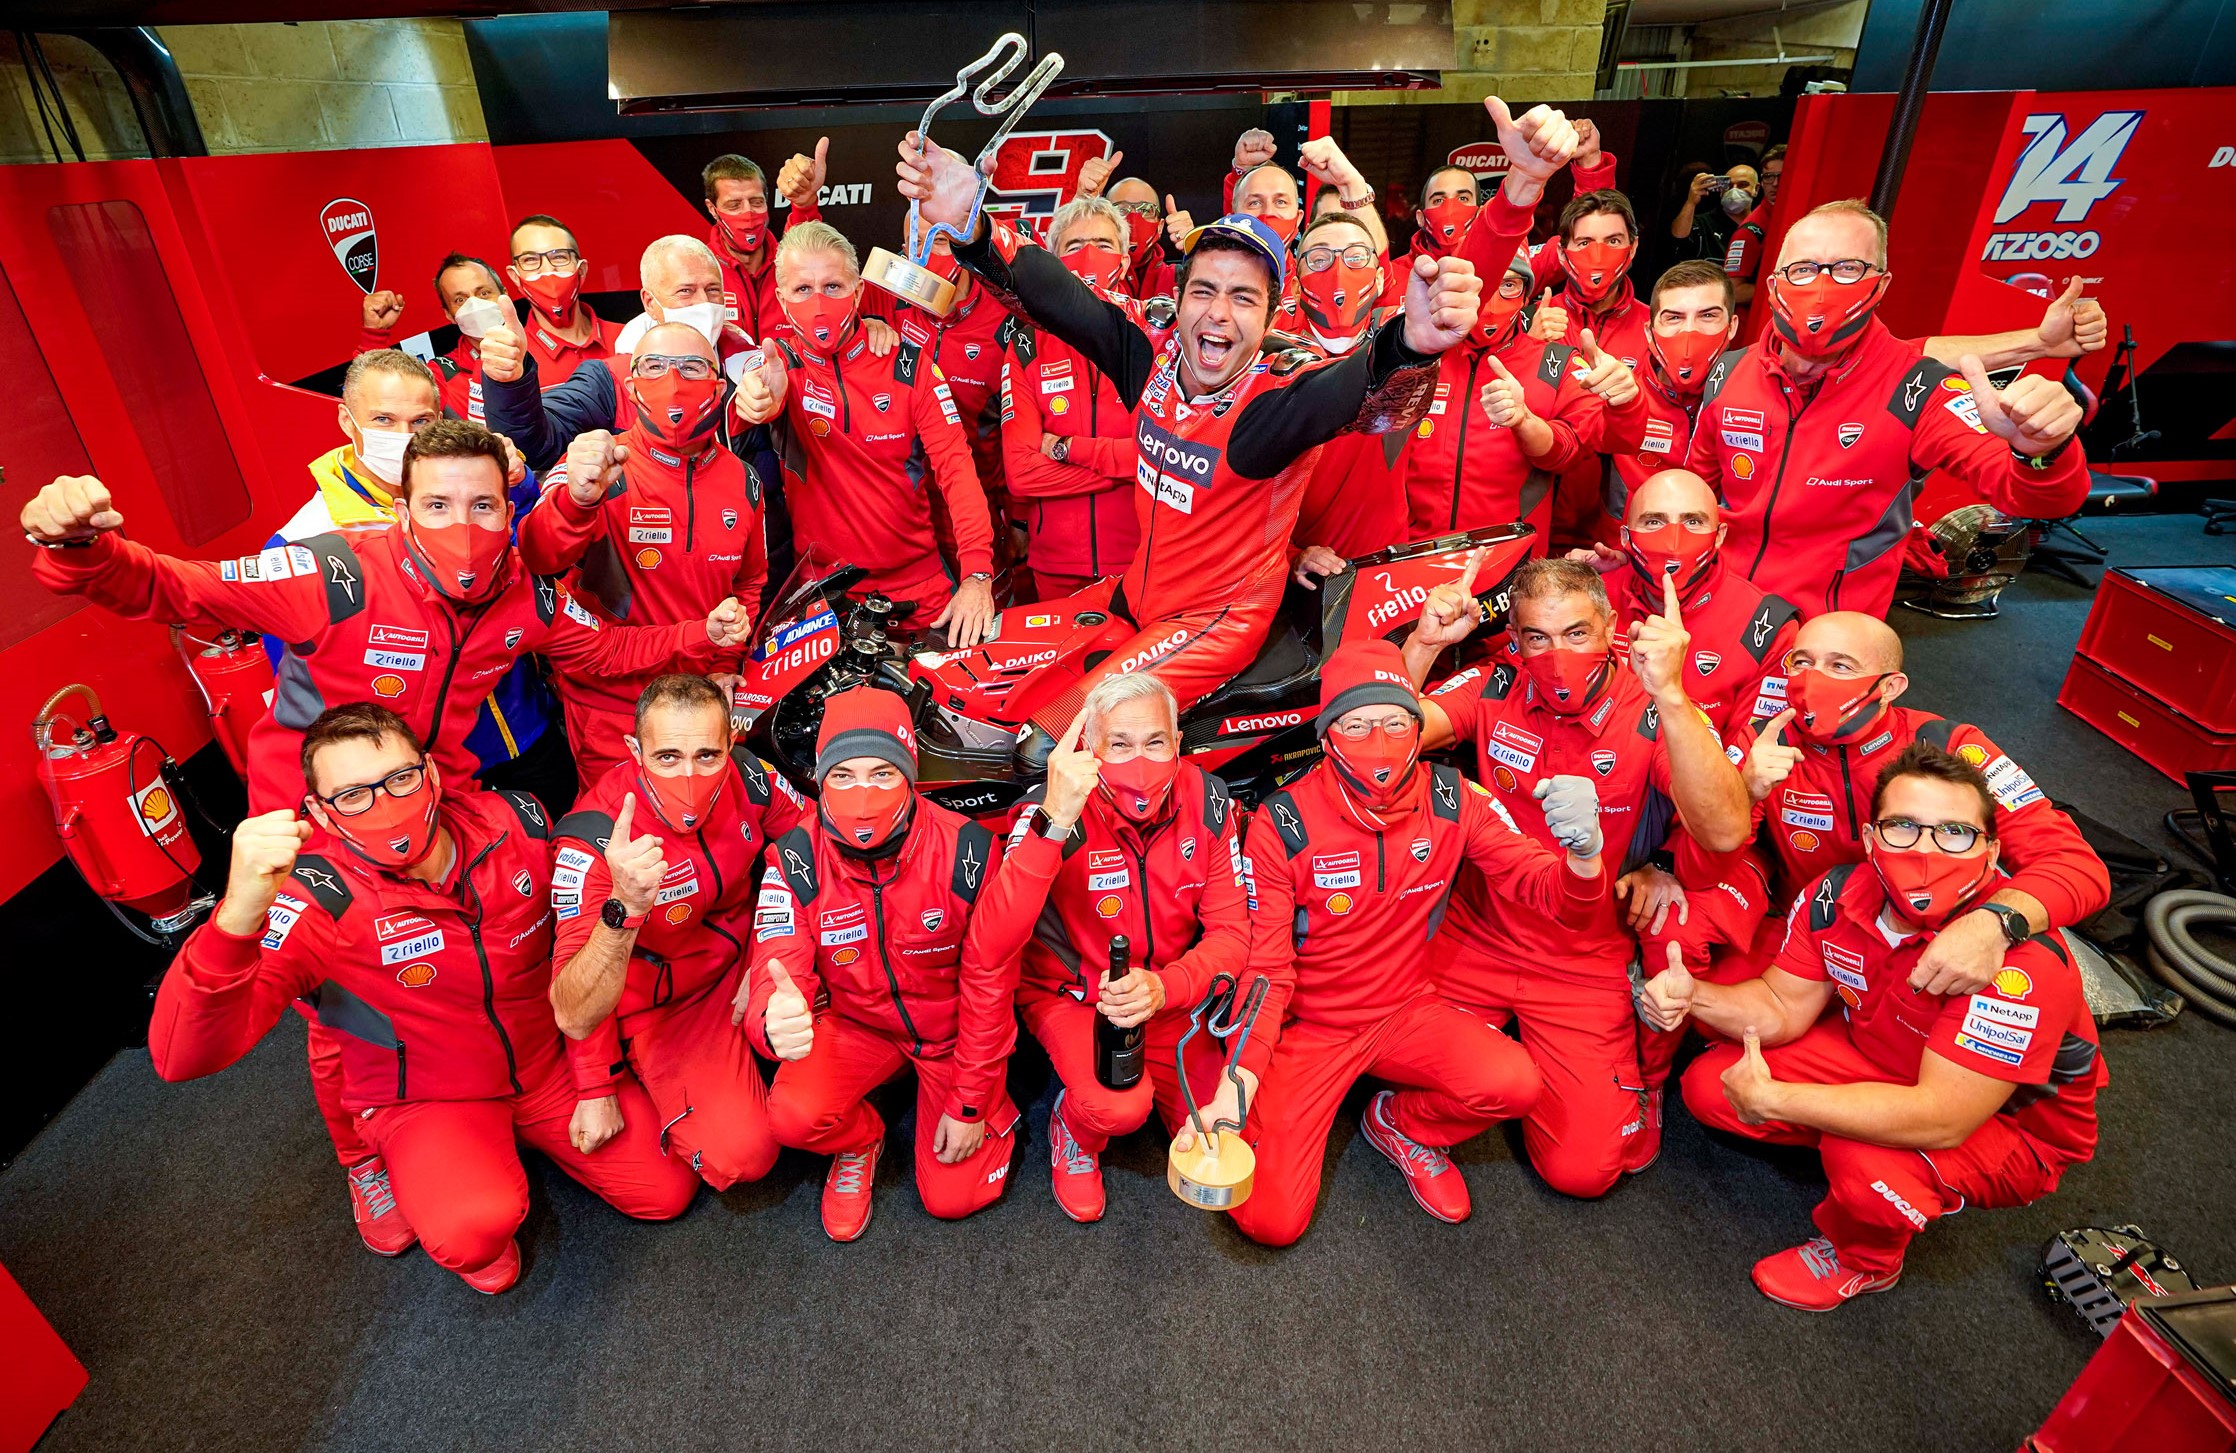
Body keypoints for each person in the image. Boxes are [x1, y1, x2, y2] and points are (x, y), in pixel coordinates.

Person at [895, 125, 1488, 753]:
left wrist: (1410, 344)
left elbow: (1354, 395)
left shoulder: (1273, 400)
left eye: (1243, 298)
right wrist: (973, 225)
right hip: (1136, 594)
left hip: (1214, 623)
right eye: (1204, 291)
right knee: (977, 683)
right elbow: (1066, 302)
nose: (1219, 314)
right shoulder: (1155, 356)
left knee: (1049, 740)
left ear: (1270, 315)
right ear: (1176, 299)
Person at [147, 704, 698, 1293]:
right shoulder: (312, 901)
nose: (385, 805)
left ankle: (500, 1146)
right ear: (320, 813)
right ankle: (392, 1161)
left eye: (400, 778)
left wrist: (594, 1085)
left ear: (430, 773)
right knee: (473, 1234)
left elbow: (576, 955)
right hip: (429, 1095)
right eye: (352, 795)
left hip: (545, 1064)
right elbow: (183, 1057)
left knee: (667, 1189)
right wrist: (235, 916)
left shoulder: (519, 822)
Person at [21, 421, 750, 815]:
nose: (463, 525)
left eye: (483, 505)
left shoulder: (524, 596)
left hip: (437, 793)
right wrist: (79, 549)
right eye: (437, 505)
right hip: (313, 811)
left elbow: (605, 650)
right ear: (402, 512)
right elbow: (174, 587)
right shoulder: (330, 571)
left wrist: (700, 636)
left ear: (509, 511)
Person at [1647, 743, 2105, 1310]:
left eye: (1954, 833)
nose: (1926, 849)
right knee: (1712, 1086)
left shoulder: (2021, 967)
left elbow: (1942, 1118)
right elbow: (1780, 1005)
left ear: (1991, 851)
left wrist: (1779, 1100)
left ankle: (1865, 1261)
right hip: (1885, 1056)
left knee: (1863, 1159)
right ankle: (1859, 1146)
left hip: (2005, 1126)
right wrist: (1692, 996)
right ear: (1869, 839)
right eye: (1902, 827)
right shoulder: (1834, 893)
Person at [1234, 640, 1606, 1246]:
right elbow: (1266, 971)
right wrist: (1242, 1078)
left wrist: (1584, 856)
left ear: (1418, 725)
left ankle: (1398, 1123)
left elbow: (1551, 894)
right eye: (1356, 725)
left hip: (1406, 1011)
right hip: (1311, 1028)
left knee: (1514, 1083)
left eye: (1394, 722)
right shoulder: (1282, 825)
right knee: (1269, 1222)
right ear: (1327, 737)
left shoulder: (1456, 799)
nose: (1378, 742)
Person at [1401, 555, 1752, 1190]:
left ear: (1612, 627)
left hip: (1581, 957)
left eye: (1576, 633)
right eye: (1537, 636)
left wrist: (1673, 695)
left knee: (1585, 1173)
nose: (1556, 653)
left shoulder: (1653, 707)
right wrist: (1425, 645)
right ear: (1515, 638)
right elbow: (1383, 739)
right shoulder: (1495, 684)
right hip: (1475, 934)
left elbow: (1726, 832)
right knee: (1377, 1051)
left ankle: (1539, 1066)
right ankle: (1408, 1118)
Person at [1685, 199, 2092, 618]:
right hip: (1721, 607)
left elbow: (2042, 499)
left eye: (1848, 268)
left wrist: (2041, 452)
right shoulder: (1729, 371)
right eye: (1803, 268)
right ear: (1773, 285)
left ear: (1880, 285)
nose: (1822, 286)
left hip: (1828, 629)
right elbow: (1694, 490)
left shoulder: (1918, 387)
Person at [741, 688, 1040, 1241]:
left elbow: (991, 989)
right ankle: (861, 1142)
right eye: (843, 775)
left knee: (955, 1198)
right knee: (792, 1117)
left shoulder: (971, 852)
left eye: (882, 773)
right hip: (858, 1026)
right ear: (821, 777)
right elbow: (776, 963)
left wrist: (970, 1105)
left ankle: (981, 1107)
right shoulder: (793, 859)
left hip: (950, 1032)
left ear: (911, 774)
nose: (863, 796)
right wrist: (771, 1021)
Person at [1738, 610, 2110, 994]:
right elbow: (1712, 855)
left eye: (1841, 666)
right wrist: (1745, 792)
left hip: (1937, 944)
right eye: (1802, 662)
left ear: (1891, 686)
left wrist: (1993, 924)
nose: (1813, 679)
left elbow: (2075, 864)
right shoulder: (1762, 743)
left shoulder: (1951, 744)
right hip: (1812, 937)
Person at [996, 674, 1253, 1222]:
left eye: (1155, 742)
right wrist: (1054, 821)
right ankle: (1074, 1128)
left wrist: (1165, 987)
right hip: (1074, 997)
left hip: (1168, 994)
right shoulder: (1048, 810)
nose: (1139, 761)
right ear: (1087, 748)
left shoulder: (1210, 802)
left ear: (1178, 743)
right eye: (1119, 744)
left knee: (1227, 1130)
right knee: (1118, 1108)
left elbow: (1232, 934)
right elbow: (994, 940)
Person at [549, 675, 804, 1193]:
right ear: (634, 750)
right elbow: (574, 1009)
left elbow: (815, 845)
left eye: (707, 755)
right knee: (743, 1155)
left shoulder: (749, 775)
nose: (689, 775)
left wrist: (767, 952)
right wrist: (624, 906)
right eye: (667, 757)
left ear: (730, 743)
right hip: (671, 1009)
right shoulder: (591, 839)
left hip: (748, 955)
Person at [518, 320, 769, 781]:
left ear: (717, 389)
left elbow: (749, 583)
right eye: (654, 366)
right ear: (631, 389)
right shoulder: (596, 464)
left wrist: (724, 665)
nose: (672, 380)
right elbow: (538, 558)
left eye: (691, 367)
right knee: (624, 823)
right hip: (610, 706)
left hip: (700, 701)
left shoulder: (744, 481)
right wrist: (578, 502)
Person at [731, 221, 999, 646]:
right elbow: (753, 394)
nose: (819, 302)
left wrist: (977, 574)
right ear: (781, 300)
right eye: (802, 289)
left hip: (920, 589)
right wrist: (758, 400)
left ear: (857, 293)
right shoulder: (777, 366)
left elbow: (957, 470)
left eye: (832, 286)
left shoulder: (910, 365)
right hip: (823, 598)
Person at [481, 235, 755, 473]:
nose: (704, 303)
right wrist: (510, 384)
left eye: (712, 290)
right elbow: (535, 445)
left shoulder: (748, 366)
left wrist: (775, 410)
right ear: (650, 302)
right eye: (686, 291)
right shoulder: (611, 378)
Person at [999, 195, 1142, 598]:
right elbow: (1021, 473)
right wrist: (1124, 470)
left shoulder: (1154, 338)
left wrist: (1065, 447)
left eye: (1103, 244)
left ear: (1124, 262)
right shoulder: (1027, 345)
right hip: (1055, 567)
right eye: (1075, 245)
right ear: (1054, 262)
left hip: (1141, 564)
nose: (1089, 255)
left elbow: (1165, 457)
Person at [1287, 210, 1413, 571]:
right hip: (1296, 574)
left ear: (1379, 277)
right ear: (1295, 284)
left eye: (1355, 257)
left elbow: (1474, 282)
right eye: (1319, 259)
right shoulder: (1272, 357)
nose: (1338, 271)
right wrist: (1290, 555)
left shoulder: (1401, 340)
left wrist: (1521, 192)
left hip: (1386, 567)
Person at [353, 252, 517, 424]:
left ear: (504, 295)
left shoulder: (536, 338)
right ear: (449, 314)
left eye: (484, 293)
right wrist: (375, 334)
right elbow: (376, 396)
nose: (475, 305)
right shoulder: (441, 375)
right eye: (460, 300)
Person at [702, 145, 828, 339]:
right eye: (734, 205)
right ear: (712, 209)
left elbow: (807, 246)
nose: (748, 213)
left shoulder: (789, 264)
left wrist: (805, 202)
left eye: (756, 202)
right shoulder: (701, 271)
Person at [502, 214, 626, 383]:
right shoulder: (511, 359)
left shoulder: (628, 337)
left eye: (559, 257)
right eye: (530, 260)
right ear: (515, 277)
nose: (548, 269)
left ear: (581, 270)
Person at [1668, 162, 1757, 270]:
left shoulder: (1760, 226)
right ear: (1720, 190)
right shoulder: (1703, 222)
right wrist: (1691, 202)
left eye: (1742, 185)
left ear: (1756, 189)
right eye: (1728, 186)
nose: (1734, 190)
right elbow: (1678, 236)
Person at [1724, 146, 1783, 308]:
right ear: (1761, 183)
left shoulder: (1785, 217)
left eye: (1782, 176)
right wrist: (1785, 289)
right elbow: (1733, 291)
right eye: (1769, 177)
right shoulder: (1750, 231)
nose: (1775, 183)